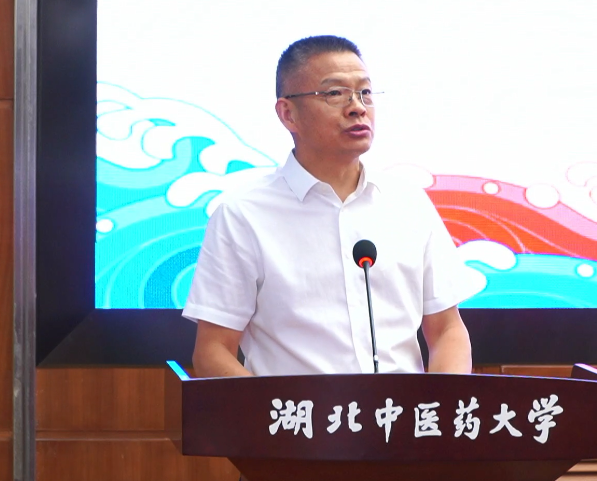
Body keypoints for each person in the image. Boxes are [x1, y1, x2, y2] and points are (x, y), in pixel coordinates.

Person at [182, 35, 471, 378]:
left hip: (401, 411)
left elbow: (447, 330)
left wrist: (439, 407)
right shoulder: (243, 215)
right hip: (296, 412)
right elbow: (213, 350)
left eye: (365, 92)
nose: (357, 107)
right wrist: (273, 411)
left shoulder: (409, 204)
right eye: (335, 93)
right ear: (288, 114)